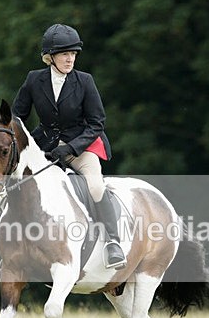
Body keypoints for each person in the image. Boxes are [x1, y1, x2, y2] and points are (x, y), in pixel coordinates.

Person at [11, 23, 126, 270]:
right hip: (46, 147)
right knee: (19, 185)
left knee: (95, 186)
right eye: (64, 54)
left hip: (82, 146)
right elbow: (16, 117)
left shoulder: (84, 81)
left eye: (73, 54)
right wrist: (27, 145)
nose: (70, 59)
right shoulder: (34, 80)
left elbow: (97, 123)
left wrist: (72, 148)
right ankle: (12, 253)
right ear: (49, 57)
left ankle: (113, 243)